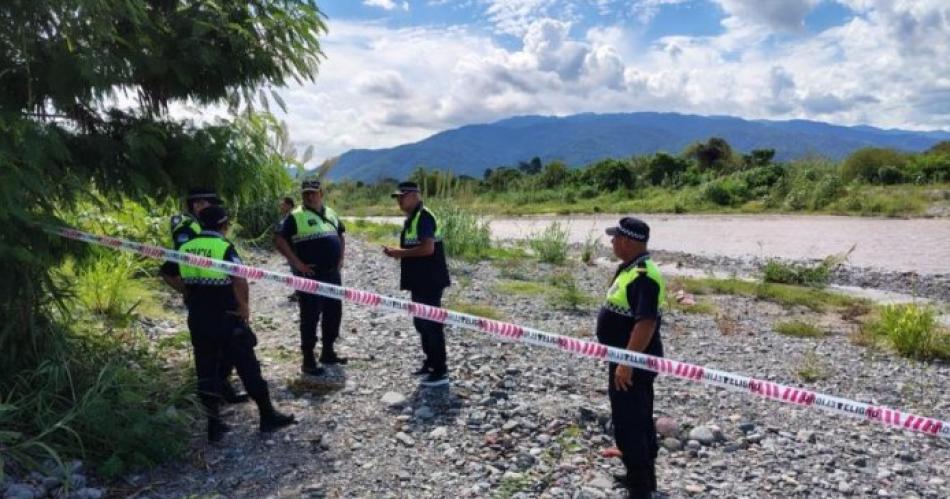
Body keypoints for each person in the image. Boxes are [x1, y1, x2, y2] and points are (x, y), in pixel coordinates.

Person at [163, 205, 295, 442]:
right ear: (224, 226)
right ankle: (267, 415)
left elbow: (166, 273)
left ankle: (214, 425)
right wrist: (244, 307)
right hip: (227, 316)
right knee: (247, 365)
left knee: (206, 368)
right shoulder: (223, 247)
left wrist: (186, 290)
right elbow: (238, 278)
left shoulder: (185, 247)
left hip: (199, 318)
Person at [596, 217, 664, 499]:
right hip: (625, 359)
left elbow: (645, 323)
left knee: (630, 422)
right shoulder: (630, 269)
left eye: (615, 238)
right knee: (637, 418)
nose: (612, 242)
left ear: (628, 241)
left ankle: (640, 488)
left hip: (633, 364)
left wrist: (627, 362)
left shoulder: (644, 276)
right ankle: (641, 476)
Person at [162, 187, 248, 405]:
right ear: (198, 204)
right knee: (216, 348)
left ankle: (222, 387)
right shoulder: (186, 227)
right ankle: (215, 400)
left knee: (223, 347)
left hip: (218, 292)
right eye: (211, 204)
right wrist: (188, 290)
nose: (216, 209)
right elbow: (177, 263)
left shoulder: (202, 223)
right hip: (206, 295)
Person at [274, 180, 347, 376]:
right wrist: (297, 264)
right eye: (306, 193)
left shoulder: (331, 212)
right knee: (310, 316)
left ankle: (328, 352)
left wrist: (340, 258)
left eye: (313, 193)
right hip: (310, 276)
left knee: (334, 312)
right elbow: (279, 239)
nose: (310, 196)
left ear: (321, 193)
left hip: (332, 274)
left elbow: (340, 234)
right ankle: (308, 360)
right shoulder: (295, 216)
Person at [382, 181, 451, 387]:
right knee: (421, 323)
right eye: (397, 198)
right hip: (419, 281)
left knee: (431, 324)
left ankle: (440, 370)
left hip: (430, 281)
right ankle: (429, 363)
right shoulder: (412, 218)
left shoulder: (424, 217)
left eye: (402, 197)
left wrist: (399, 253)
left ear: (414, 196)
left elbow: (428, 249)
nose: (399, 202)